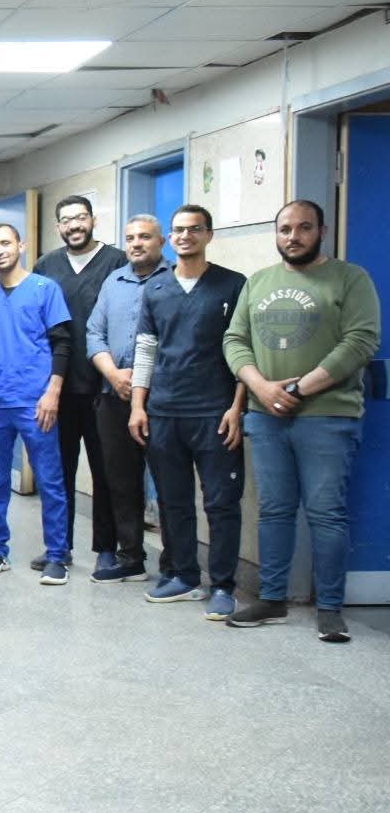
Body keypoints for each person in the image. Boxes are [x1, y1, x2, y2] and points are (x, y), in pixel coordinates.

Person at [223, 199, 381, 642]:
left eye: (304, 227)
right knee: (274, 510)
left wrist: (297, 389)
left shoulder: (350, 278)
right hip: (265, 416)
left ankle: (329, 607)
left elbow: (361, 341)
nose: (293, 236)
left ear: (321, 231)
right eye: (285, 229)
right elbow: (234, 340)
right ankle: (272, 598)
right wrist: (262, 387)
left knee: (326, 513)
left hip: (327, 416)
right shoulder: (259, 282)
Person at [128, 205, 247, 618]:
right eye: (178, 230)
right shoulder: (156, 289)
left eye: (194, 229)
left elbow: (244, 350)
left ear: (208, 235)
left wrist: (237, 407)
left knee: (221, 503)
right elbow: (146, 349)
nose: (185, 236)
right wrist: (138, 405)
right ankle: (185, 577)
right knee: (173, 500)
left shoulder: (232, 285)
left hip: (215, 412)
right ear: (170, 237)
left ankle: (224, 585)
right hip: (164, 412)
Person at [0, 223, 72, 584]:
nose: (0, 250)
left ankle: (56, 555)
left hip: (36, 401)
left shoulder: (45, 289)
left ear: (21, 246)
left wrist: (53, 391)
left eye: (6, 243)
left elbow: (62, 343)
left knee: (49, 481)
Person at [33, 195, 129, 571]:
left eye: (81, 217)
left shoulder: (117, 261)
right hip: (57, 390)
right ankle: (60, 546)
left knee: (106, 472)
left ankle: (106, 547)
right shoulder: (46, 266)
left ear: (93, 220)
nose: (74, 225)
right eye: (66, 219)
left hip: (104, 388)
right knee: (58, 473)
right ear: (58, 226)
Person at [84, 214, 167, 585]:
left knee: (169, 482)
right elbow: (94, 333)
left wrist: (143, 384)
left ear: (161, 241)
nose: (137, 243)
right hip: (113, 395)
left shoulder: (173, 281)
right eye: (131, 237)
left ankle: (175, 563)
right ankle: (131, 555)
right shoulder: (113, 282)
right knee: (120, 481)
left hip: (162, 399)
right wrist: (114, 375)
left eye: (145, 237)